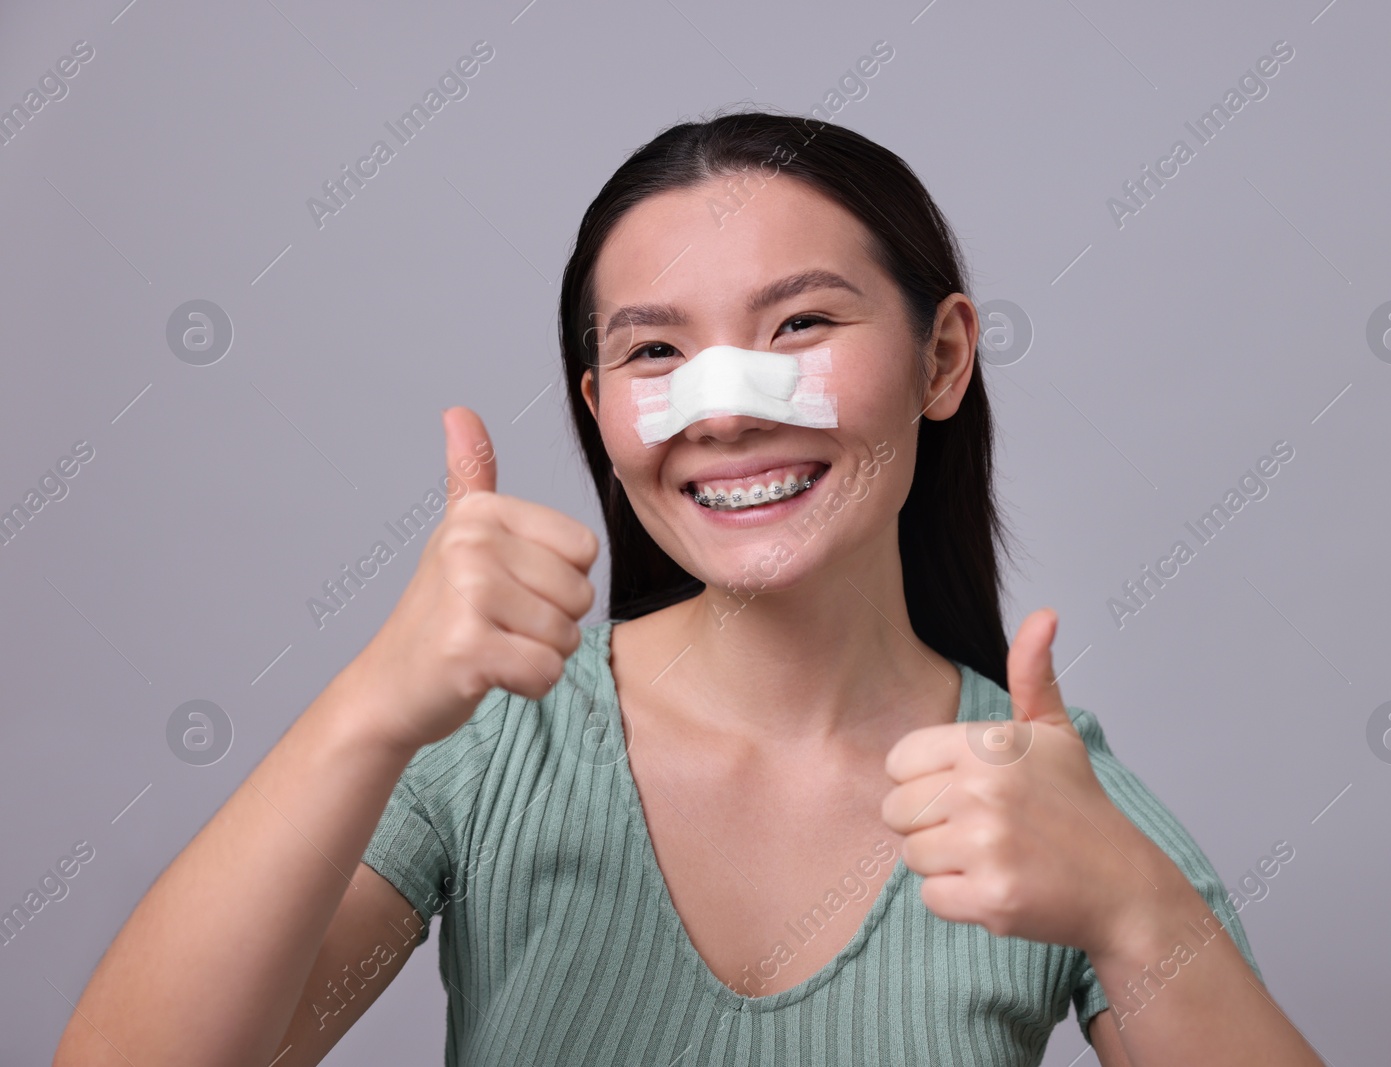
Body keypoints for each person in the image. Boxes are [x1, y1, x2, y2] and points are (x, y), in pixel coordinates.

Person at [54, 111, 1322, 1066]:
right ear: (604, 413)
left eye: (800, 325)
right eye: (657, 349)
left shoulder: (1044, 797)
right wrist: (369, 709)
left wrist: (1138, 909)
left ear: (942, 359)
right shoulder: (495, 746)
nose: (725, 407)